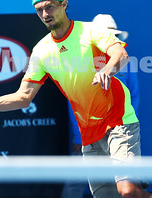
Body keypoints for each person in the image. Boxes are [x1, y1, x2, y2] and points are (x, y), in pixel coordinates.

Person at [0, 0, 152, 198]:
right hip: (88, 134)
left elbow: (120, 55)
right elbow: (23, 97)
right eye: (39, 9)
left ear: (64, 4)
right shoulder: (41, 51)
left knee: (127, 192)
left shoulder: (91, 31)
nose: (45, 14)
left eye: (50, 6)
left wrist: (107, 69)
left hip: (119, 122)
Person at [61, 14, 145, 198]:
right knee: (76, 184)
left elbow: (134, 98)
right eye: (107, 36)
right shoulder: (82, 63)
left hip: (121, 131)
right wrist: (78, 136)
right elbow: (75, 103)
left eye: (114, 36)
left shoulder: (126, 63)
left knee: (128, 189)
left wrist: (127, 127)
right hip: (90, 135)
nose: (111, 40)